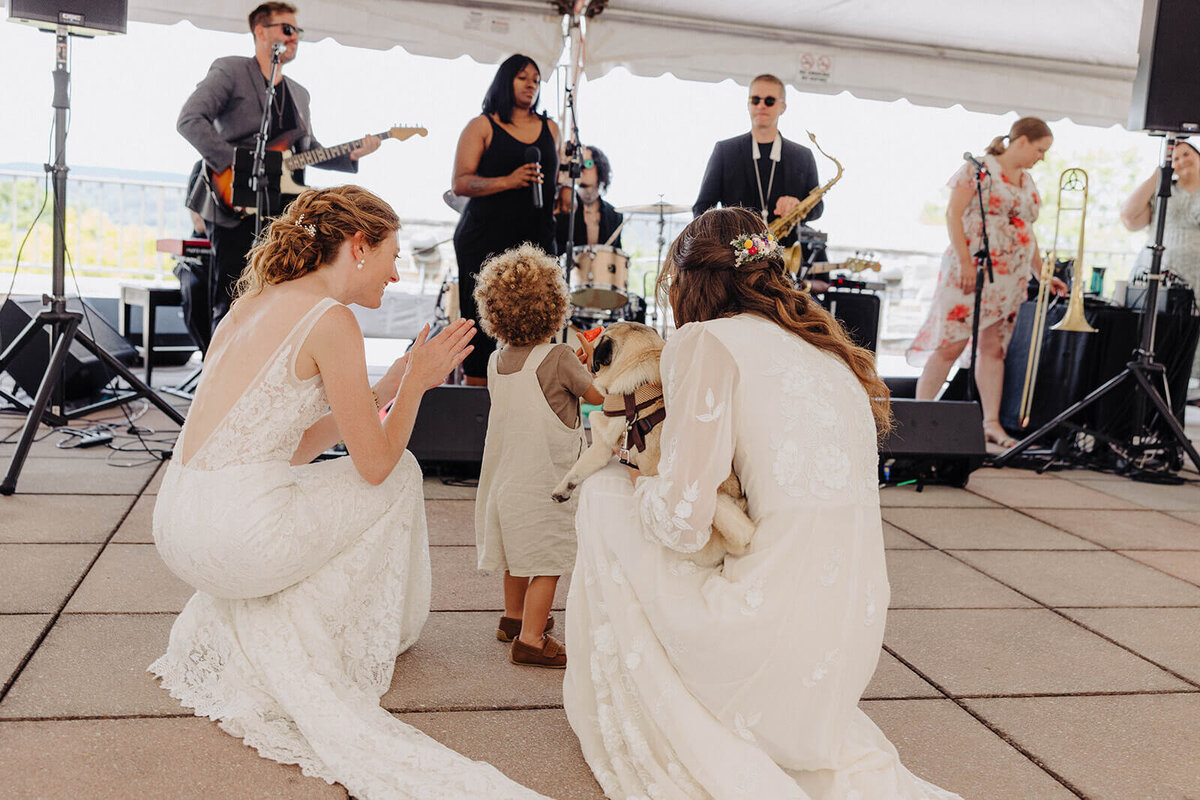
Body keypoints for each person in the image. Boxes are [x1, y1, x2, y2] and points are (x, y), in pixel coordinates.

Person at [150, 186, 548, 800]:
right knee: (405, 474)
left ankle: (315, 614)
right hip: (237, 540)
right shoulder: (332, 321)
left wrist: (385, 387)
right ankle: (356, 632)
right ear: (357, 247)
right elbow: (376, 466)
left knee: (341, 479)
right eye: (390, 255)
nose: (395, 273)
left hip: (180, 525)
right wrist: (416, 386)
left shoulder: (253, 302)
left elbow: (292, 444)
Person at [561, 207, 962, 800]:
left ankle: (638, 693)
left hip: (760, 635)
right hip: (847, 642)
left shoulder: (705, 341)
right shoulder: (827, 350)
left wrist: (636, 475)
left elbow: (679, 522)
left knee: (599, 496)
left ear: (691, 280)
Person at [178, 1, 382, 331]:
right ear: (260, 32)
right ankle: (222, 371)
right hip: (232, 196)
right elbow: (189, 120)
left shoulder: (299, 94)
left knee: (280, 286)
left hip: (282, 205)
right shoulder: (231, 70)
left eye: (297, 31)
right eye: (287, 29)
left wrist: (350, 155)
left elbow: (307, 149)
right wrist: (238, 165)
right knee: (233, 290)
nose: (295, 37)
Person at [473, 244, 603, 668]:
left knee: (517, 555)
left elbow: (542, 378)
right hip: (548, 484)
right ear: (554, 306)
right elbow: (596, 395)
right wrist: (593, 363)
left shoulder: (496, 361)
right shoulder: (562, 356)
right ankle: (531, 639)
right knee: (546, 561)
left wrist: (573, 364)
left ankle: (513, 619)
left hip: (507, 482)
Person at [907, 117, 1065, 447]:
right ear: (1020, 141)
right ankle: (921, 417)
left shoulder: (1028, 180)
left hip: (1009, 278)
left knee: (993, 349)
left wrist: (1042, 274)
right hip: (972, 268)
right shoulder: (978, 169)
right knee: (950, 343)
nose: (1042, 157)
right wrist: (965, 262)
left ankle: (990, 423)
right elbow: (954, 214)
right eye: (1040, 149)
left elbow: (1027, 232)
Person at [452, 54, 559, 386]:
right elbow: (461, 182)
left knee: (537, 317)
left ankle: (529, 394)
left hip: (535, 235)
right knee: (481, 322)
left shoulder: (550, 128)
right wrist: (509, 181)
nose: (531, 85)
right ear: (505, 80)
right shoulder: (482, 125)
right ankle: (476, 400)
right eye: (523, 77)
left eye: (536, 80)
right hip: (484, 236)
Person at [693, 74, 824, 248]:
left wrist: (798, 207)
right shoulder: (725, 150)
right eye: (755, 100)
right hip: (735, 257)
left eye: (769, 101)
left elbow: (818, 208)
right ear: (748, 105)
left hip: (785, 257)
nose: (761, 105)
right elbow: (701, 209)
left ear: (783, 107)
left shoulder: (803, 155)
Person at [1121, 138, 1200, 377]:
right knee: (1155, 332)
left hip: (1196, 278)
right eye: (1174, 158)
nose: (1181, 161)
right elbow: (1129, 218)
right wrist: (1159, 174)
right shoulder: (1162, 193)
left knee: (1191, 337)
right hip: (1158, 273)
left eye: (1186, 154)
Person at [554, 145, 624, 252]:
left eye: (588, 163)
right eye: (579, 163)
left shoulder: (614, 215)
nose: (582, 168)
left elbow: (616, 256)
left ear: (600, 169)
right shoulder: (564, 205)